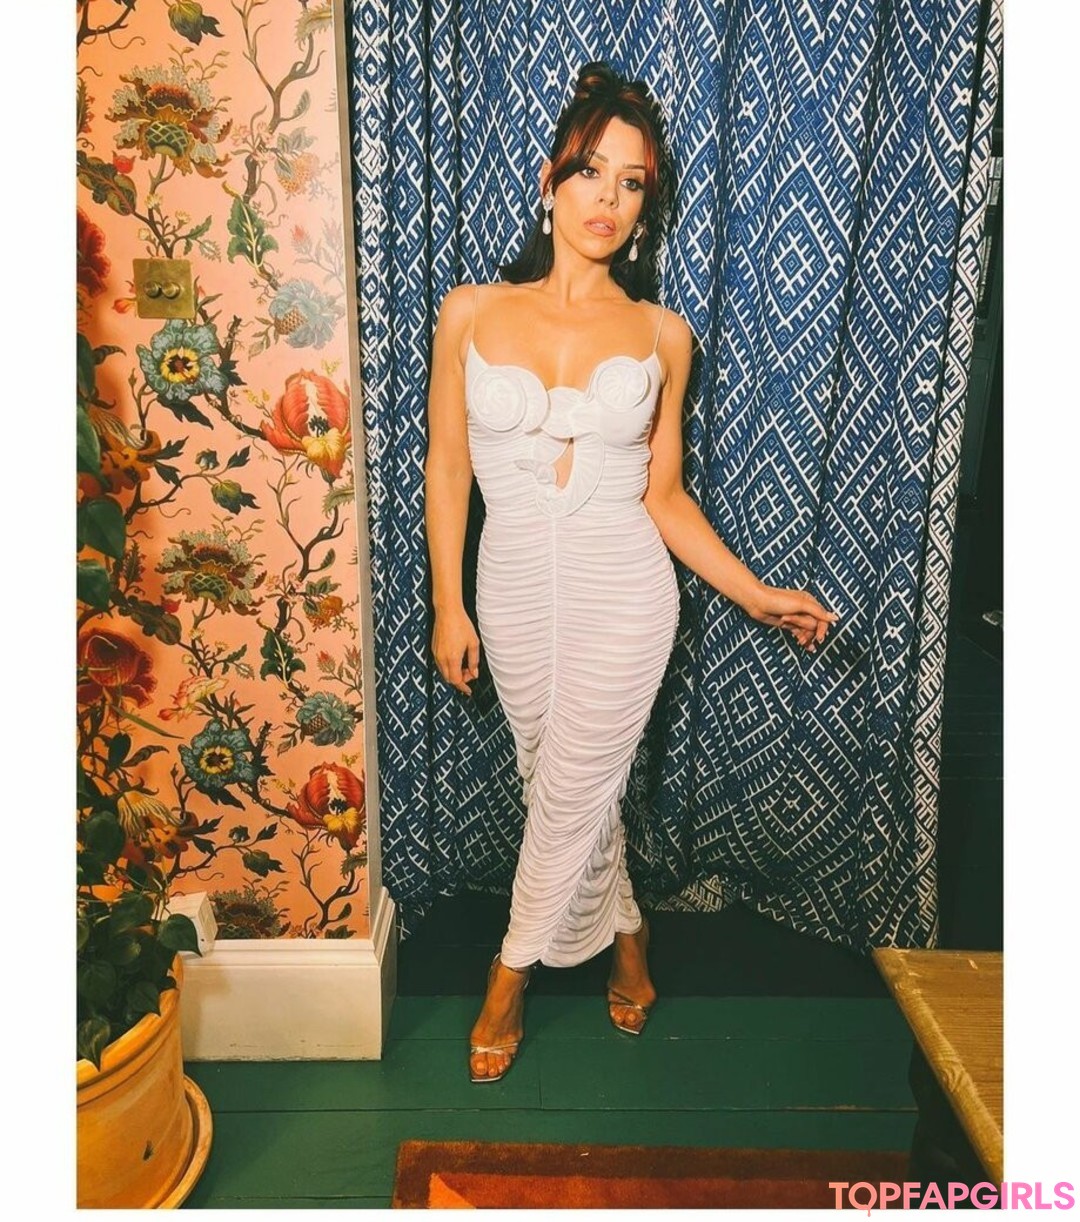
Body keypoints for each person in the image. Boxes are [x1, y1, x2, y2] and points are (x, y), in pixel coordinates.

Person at [424, 62, 838, 1084]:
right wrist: (446, 603)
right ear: (550, 180)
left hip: (627, 593)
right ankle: (631, 935)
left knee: (570, 789)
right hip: (511, 585)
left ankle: (507, 977)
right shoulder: (469, 311)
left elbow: (666, 497)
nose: (608, 198)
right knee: (558, 783)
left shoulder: (663, 335)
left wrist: (755, 593)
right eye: (591, 172)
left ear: (648, 205)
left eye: (633, 181)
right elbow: (447, 467)